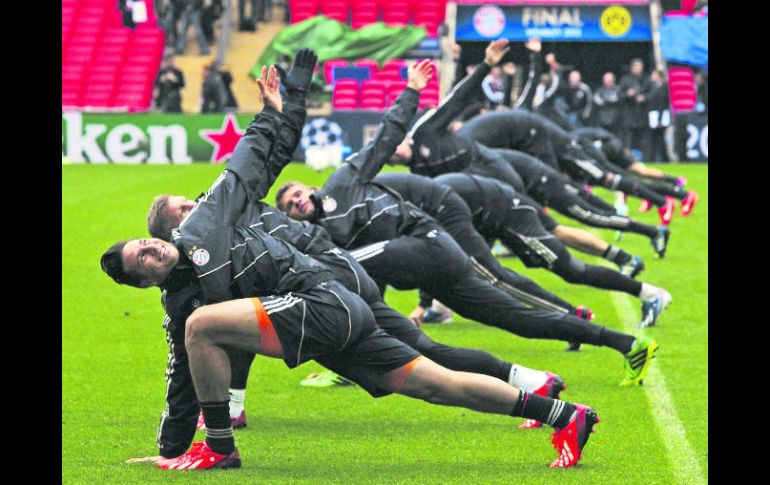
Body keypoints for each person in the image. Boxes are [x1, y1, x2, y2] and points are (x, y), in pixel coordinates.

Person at [103, 50, 599, 470]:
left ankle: (219, 447)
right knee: (436, 382)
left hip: (326, 296)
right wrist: (168, 450)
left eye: (144, 242)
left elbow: (249, 162)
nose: (155, 248)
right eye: (143, 257)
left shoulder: (211, 221)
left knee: (204, 326)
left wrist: (278, 107)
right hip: (328, 320)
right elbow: (180, 377)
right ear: (144, 282)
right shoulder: (183, 295)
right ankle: (563, 413)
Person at [276, 41, 658, 387]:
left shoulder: (343, 182)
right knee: (514, 322)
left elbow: (386, 136)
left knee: (336, 268)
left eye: (295, 193)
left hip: (432, 237)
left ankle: (587, 301)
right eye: (288, 205)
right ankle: (619, 346)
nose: (295, 201)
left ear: (310, 187)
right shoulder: (323, 237)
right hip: (433, 270)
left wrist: (411, 90)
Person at [456, 109, 678, 226]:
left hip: (563, 146)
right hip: (544, 142)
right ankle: (615, 212)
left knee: (608, 178)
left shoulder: (468, 144)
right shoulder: (472, 136)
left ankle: (663, 199)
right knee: (570, 185)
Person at [619, 58, 651, 155]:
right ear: (632, 68)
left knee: (643, 139)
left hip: (642, 115)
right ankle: (628, 159)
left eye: (640, 67)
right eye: (637, 67)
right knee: (628, 140)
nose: (639, 69)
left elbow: (653, 94)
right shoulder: (625, 79)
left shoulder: (646, 79)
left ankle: (645, 159)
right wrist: (628, 94)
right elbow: (620, 95)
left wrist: (644, 97)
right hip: (629, 115)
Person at [645, 69, 671, 162]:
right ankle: (653, 158)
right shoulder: (653, 87)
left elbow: (662, 104)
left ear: (659, 76)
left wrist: (659, 119)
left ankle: (664, 159)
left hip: (660, 116)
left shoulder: (664, 87)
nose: (651, 76)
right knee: (655, 139)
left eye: (653, 74)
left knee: (660, 139)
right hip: (654, 116)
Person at [592, 72, 623, 137]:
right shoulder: (599, 90)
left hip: (615, 120)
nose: (608, 82)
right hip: (602, 119)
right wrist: (607, 101)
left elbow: (616, 100)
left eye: (609, 80)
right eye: (606, 80)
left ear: (613, 80)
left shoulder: (618, 89)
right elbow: (596, 100)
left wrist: (605, 101)